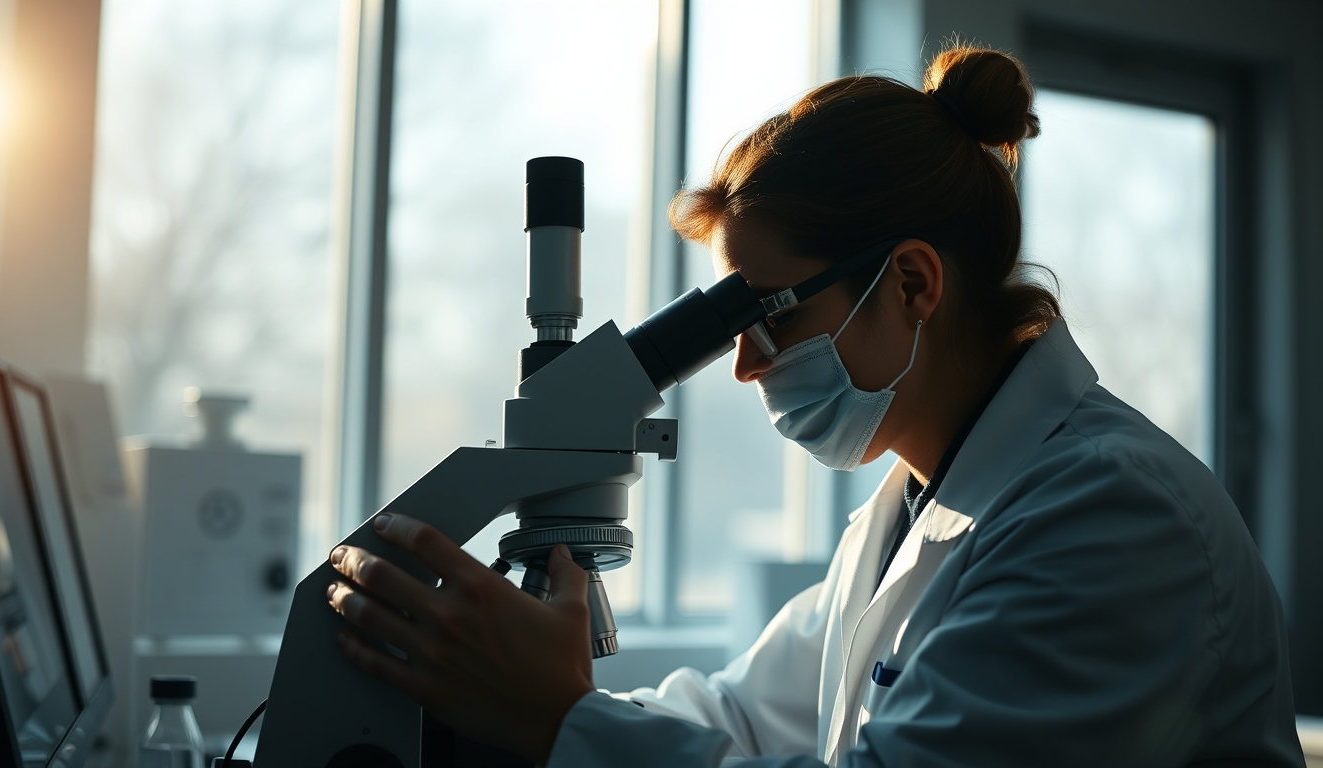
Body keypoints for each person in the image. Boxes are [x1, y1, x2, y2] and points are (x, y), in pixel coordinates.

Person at [322, 44, 1305, 767]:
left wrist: (560, 720)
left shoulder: (1111, 516)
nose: (745, 366)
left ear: (913, 283)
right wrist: (501, 692)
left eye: (770, 315)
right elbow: (742, 718)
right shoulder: (911, 511)